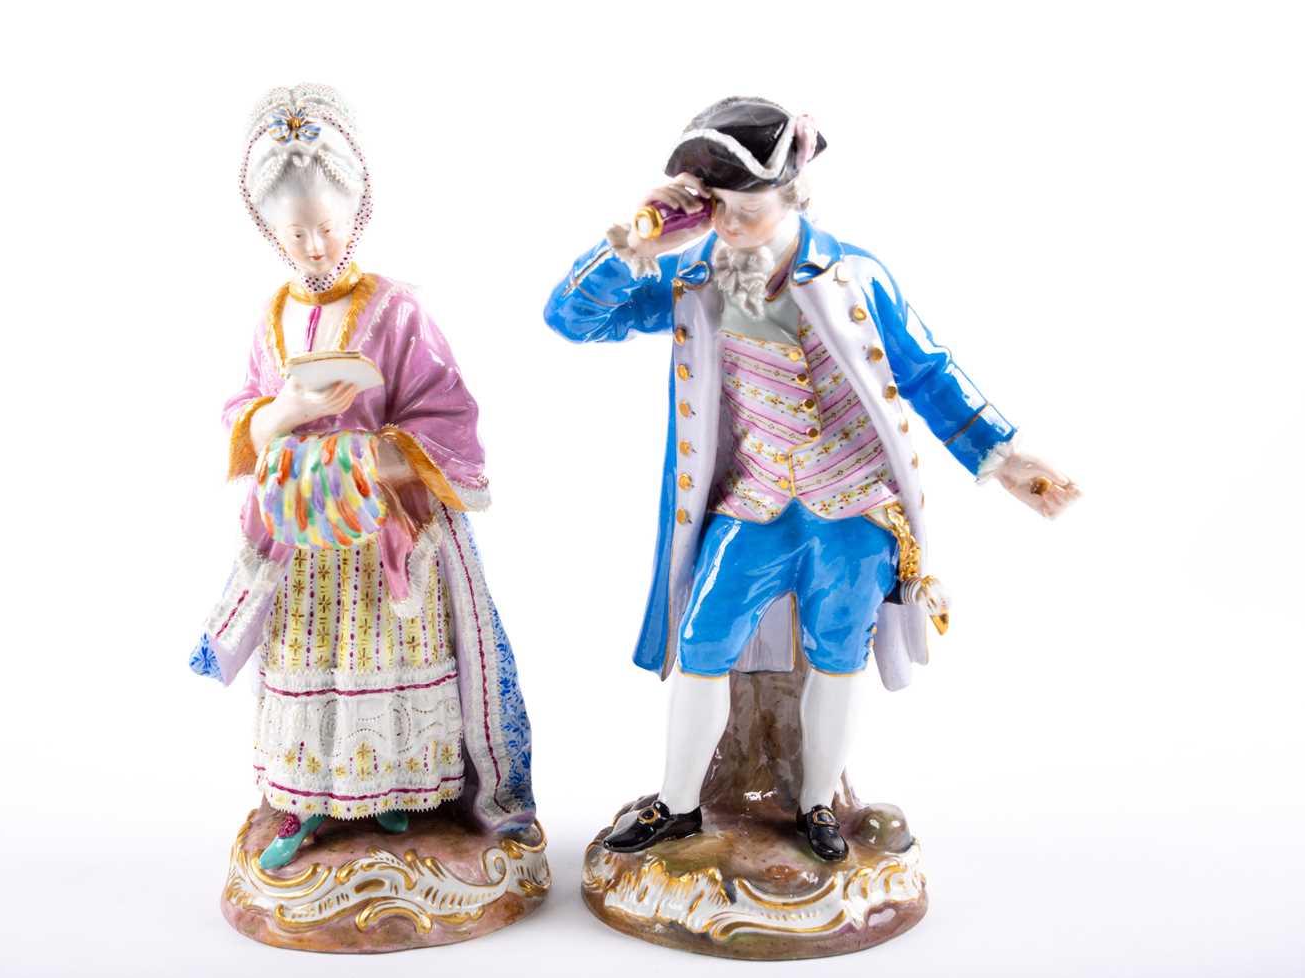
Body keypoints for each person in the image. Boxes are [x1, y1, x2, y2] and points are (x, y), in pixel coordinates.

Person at [544, 96, 1077, 861]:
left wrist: (1005, 456)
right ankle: (680, 803)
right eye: (716, 207)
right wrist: (634, 242)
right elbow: (573, 318)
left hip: (850, 506)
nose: (730, 226)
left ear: (793, 196)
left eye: (747, 209)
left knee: (838, 653)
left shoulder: (854, 276)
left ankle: (817, 802)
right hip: (755, 502)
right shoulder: (697, 277)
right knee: (702, 640)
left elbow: (927, 372)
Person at [191, 84, 535, 870]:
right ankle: (306, 796)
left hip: (381, 530)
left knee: (383, 650)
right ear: (270, 230)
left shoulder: (399, 311)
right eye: (297, 232)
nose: (316, 246)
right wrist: (286, 411)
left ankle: (390, 790)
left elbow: (449, 416)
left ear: (358, 212)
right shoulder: (271, 318)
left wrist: (364, 455)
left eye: (328, 226)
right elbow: (243, 413)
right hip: (304, 534)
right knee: (310, 655)